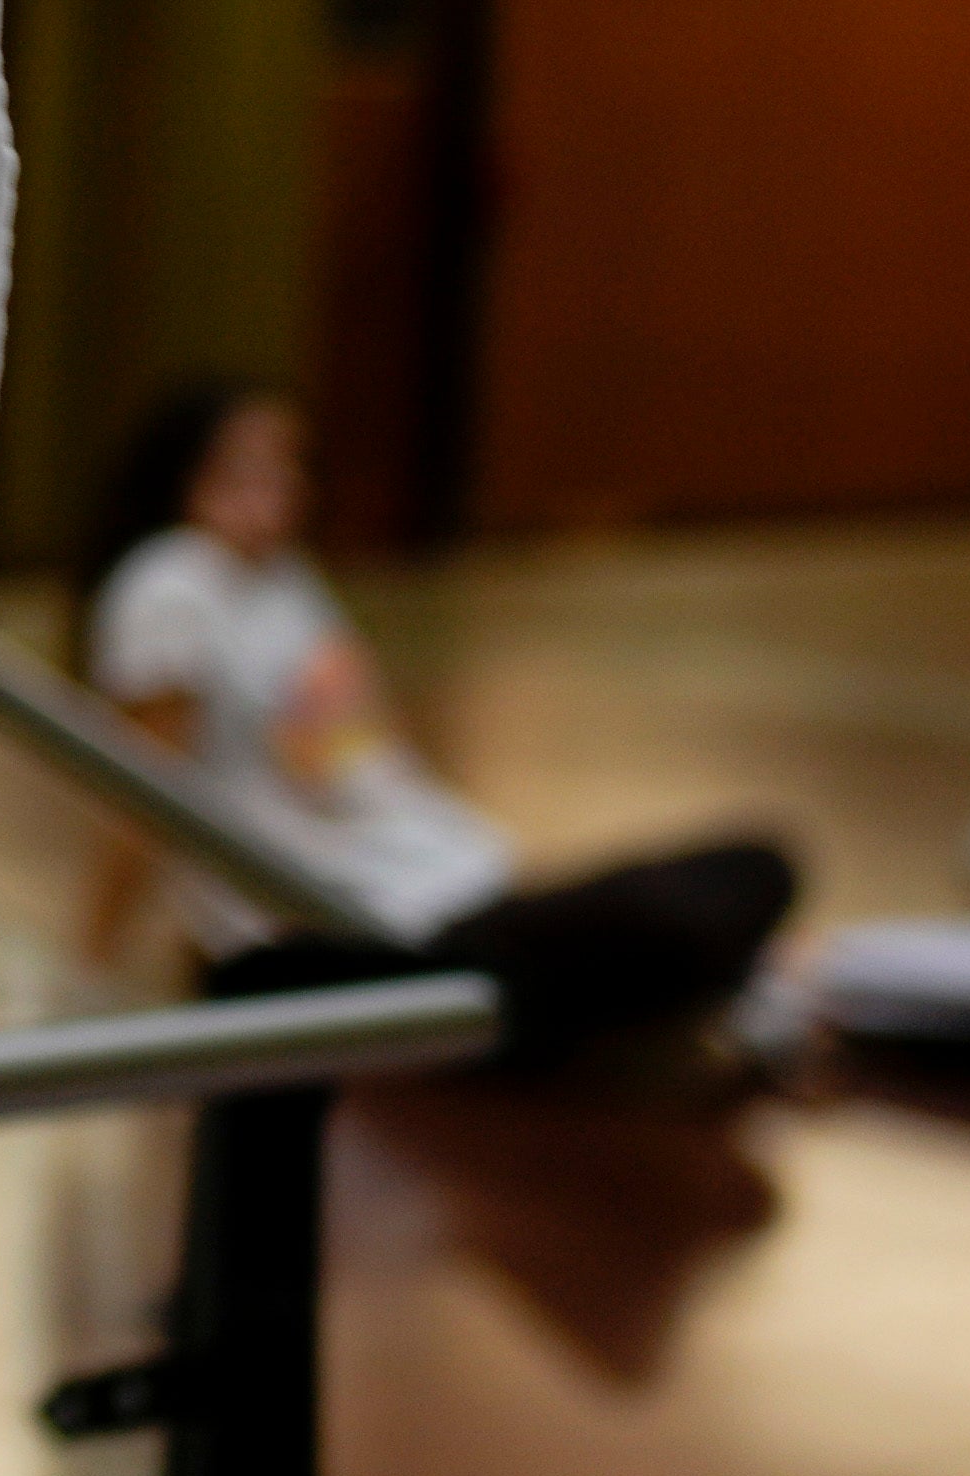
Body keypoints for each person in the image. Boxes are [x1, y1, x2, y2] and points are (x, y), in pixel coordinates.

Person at [79, 384, 797, 1077]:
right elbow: (147, 795)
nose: (276, 487)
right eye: (242, 467)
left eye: (288, 464)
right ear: (183, 475)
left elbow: (366, 759)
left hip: (452, 889)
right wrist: (91, 975)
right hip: (368, 935)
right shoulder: (170, 582)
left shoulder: (284, 581)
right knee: (710, 900)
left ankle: (685, 1016)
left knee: (750, 870)